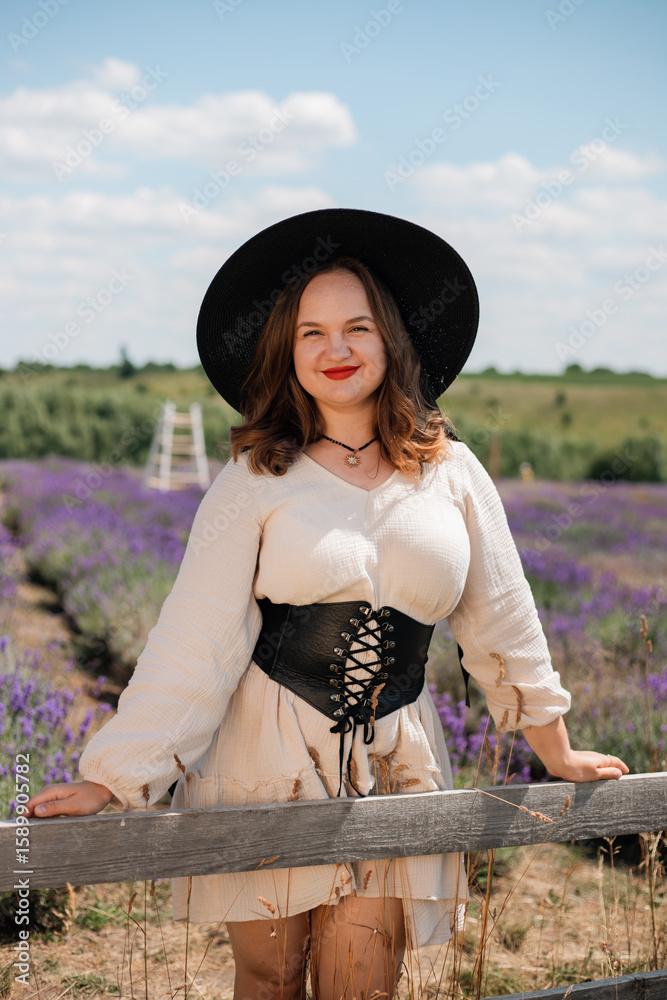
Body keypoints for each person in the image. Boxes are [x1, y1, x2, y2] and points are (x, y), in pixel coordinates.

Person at [26, 209, 629, 1000]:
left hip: (397, 753)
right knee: (271, 975)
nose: (334, 349)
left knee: (362, 979)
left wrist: (556, 751)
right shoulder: (255, 478)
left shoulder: (451, 472)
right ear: (287, 350)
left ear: (392, 341)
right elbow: (196, 638)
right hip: (265, 752)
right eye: (311, 332)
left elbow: (503, 620)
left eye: (356, 328)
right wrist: (110, 777)